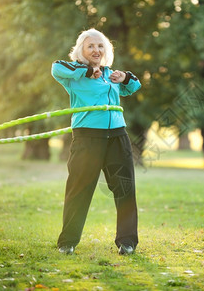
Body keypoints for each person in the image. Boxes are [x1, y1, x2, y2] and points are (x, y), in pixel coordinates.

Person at [51, 28, 141, 255]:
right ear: (81, 50)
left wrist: (124, 77)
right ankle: (68, 242)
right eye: (90, 46)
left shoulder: (111, 75)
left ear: (106, 50)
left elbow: (134, 86)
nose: (96, 50)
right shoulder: (75, 74)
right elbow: (56, 67)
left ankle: (127, 242)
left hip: (117, 137)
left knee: (125, 188)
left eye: (100, 46)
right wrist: (86, 71)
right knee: (79, 189)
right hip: (87, 138)